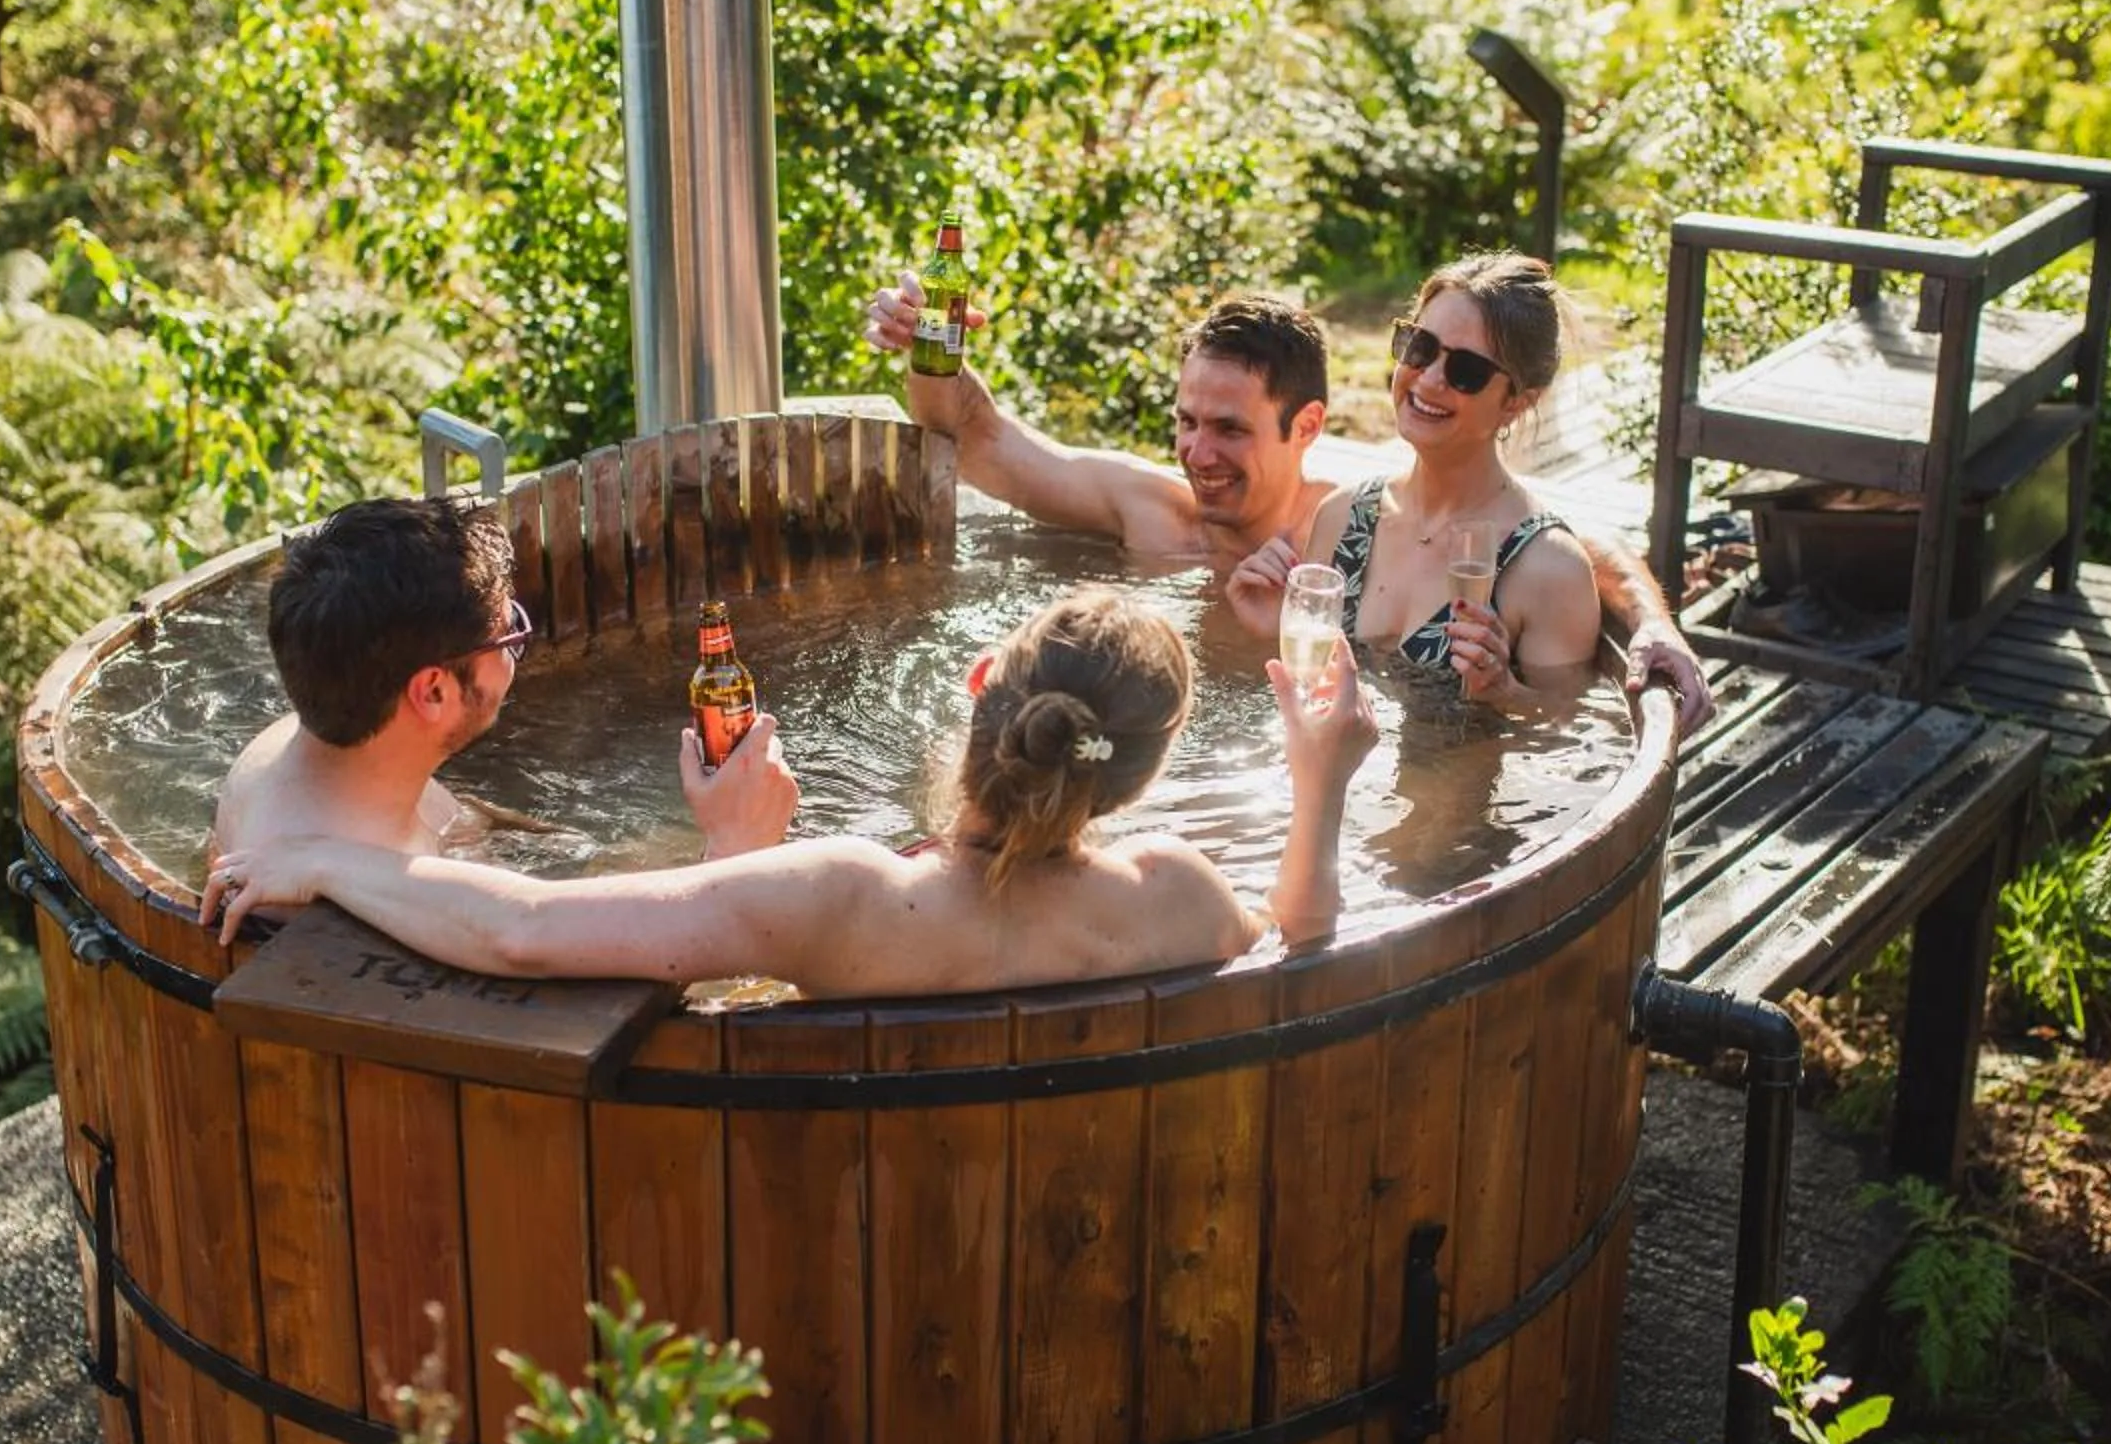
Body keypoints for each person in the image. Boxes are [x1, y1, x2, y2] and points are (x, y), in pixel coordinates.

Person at [201, 589, 1381, 996]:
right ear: (1135, 775)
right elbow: (1303, 939)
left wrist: (333, 858)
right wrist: (1317, 785)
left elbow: (524, 932)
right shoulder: (1178, 893)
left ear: (981, 681)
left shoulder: (849, 895)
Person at [866, 272, 1715, 733]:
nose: (1198, 454)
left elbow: (1563, 573)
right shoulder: (1307, 519)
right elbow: (975, 438)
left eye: (1230, 429)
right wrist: (929, 347)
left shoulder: (1332, 517)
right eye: (1418, 347)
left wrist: (1645, 622)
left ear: (1306, 426)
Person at [210, 495, 795, 867]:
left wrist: (598, 852)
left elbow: (463, 825)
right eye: (508, 634)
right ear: (433, 691)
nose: (520, 645)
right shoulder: (376, 884)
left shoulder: (311, 751)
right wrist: (735, 849)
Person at [1227, 252, 1607, 708]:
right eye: (1420, 347)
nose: (1428, 380)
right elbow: (1309, 699)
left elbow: (1568, 734)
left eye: (1466, 371)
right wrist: (1266, 634)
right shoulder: (1343, 519)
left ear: (1517, 402)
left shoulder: (1549, 569)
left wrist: (1506, 695)